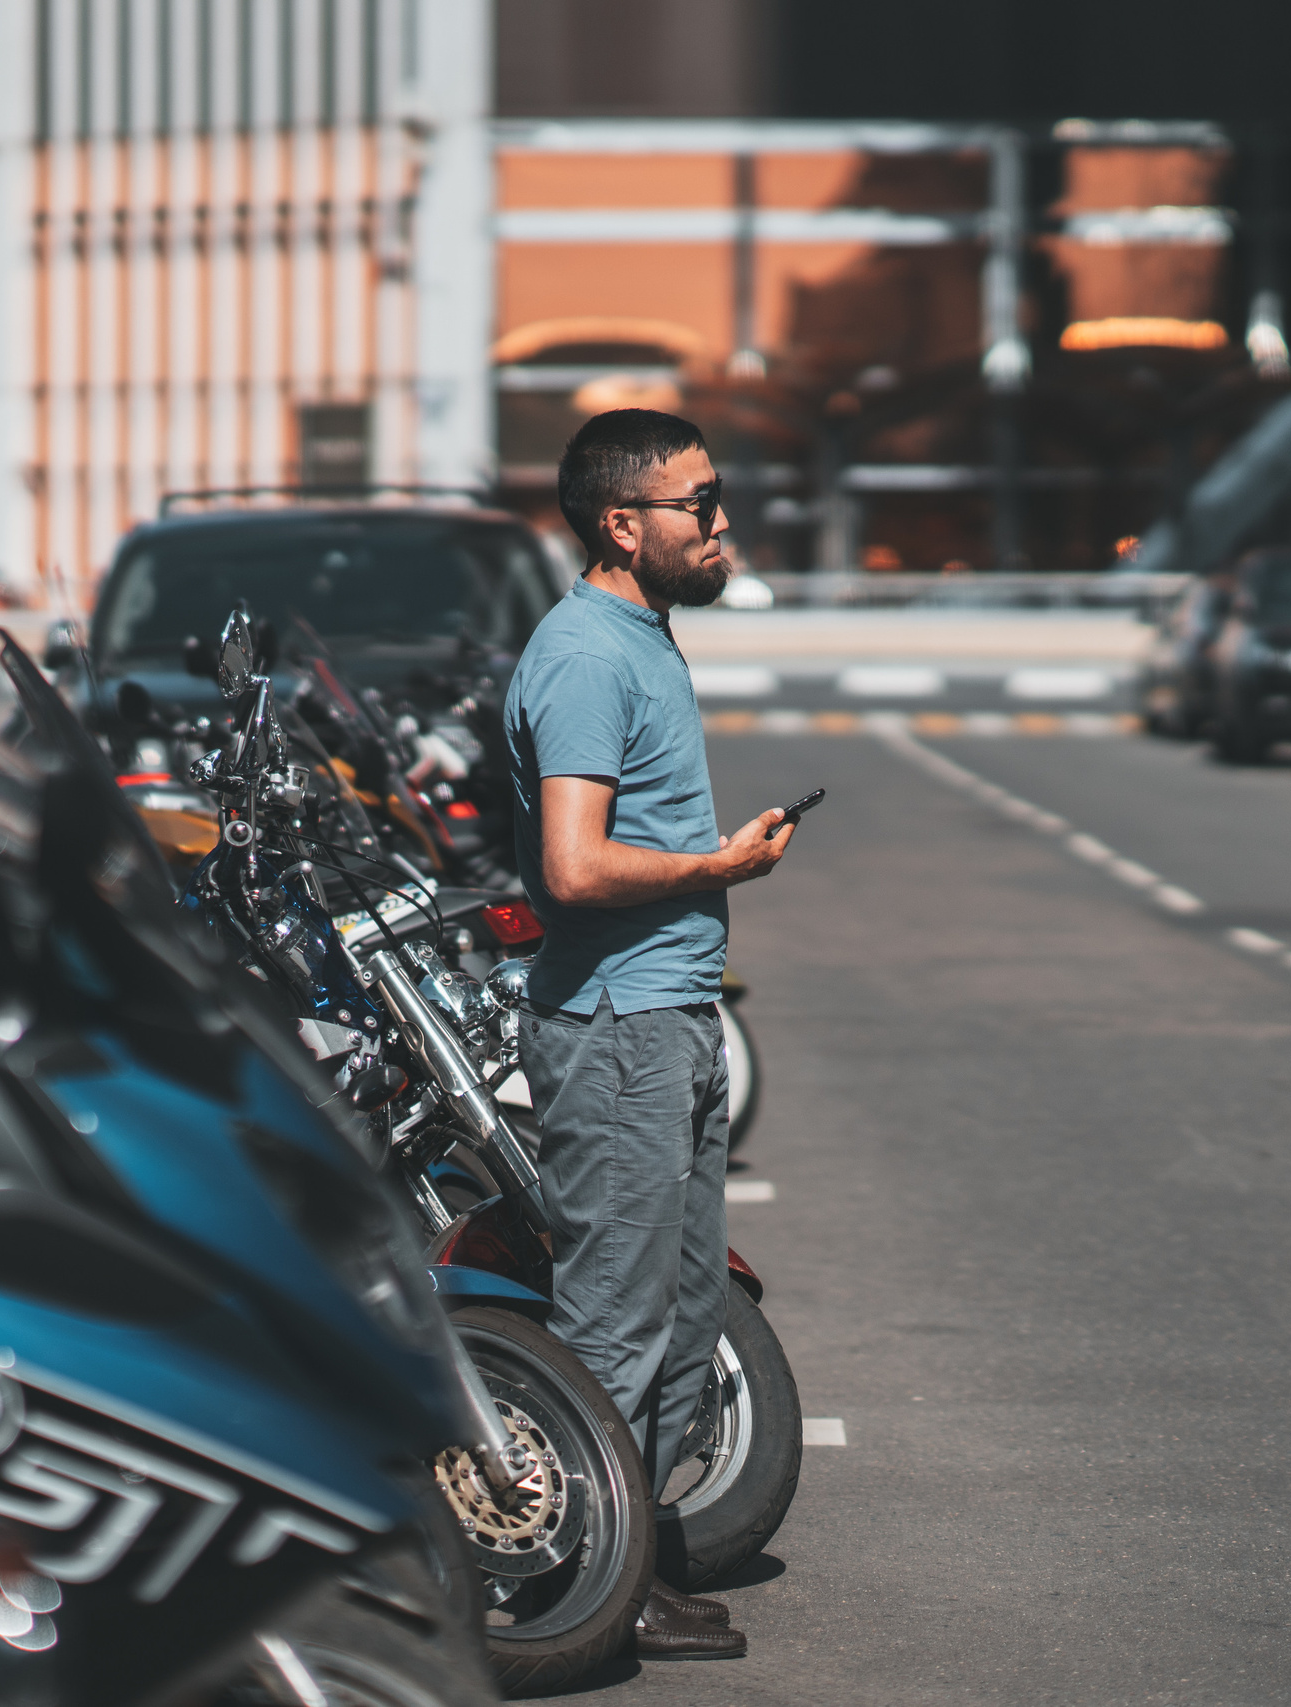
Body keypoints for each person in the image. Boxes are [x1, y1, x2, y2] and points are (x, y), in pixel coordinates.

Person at [502, 409, 799, 1662]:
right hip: (617, 1028)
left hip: (668, 1015)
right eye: (699, 504)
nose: (720, 523)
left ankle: (630, 1563)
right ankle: (571, 1589)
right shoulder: (585, 656)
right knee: (616, 1325)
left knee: (683, 1315)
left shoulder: (643, 637)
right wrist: (712, 865)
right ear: (624, 525)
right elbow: (571, 869)